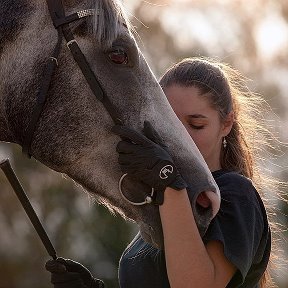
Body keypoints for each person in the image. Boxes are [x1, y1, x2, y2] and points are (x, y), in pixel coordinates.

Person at [45, 57, 274, 287]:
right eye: (171, 123)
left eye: (196, 125)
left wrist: (168, 183)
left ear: (226, 124)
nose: (181, 138)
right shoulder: (161, 201)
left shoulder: (235, 194)